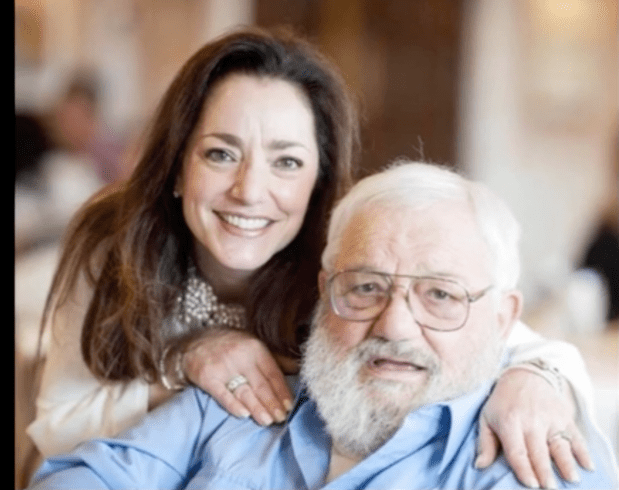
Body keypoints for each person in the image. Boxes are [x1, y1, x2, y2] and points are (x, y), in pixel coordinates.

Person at [26, 28, 593, 488]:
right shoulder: (119, 241)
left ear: (319, 182)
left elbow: (490, 325)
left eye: (287, 162)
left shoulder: (345, 264)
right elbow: (57, 429)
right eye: (221, 154)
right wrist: (185, 364)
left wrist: (536, 380)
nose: (249, 191)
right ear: (177, 165)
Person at [27, 162, 618, 490]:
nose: (396, 325)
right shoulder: (241, 397)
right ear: (323, 289)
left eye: (439, 295)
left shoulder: (533, 457)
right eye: (365, 287)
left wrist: (543, 371)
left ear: (504, 316)